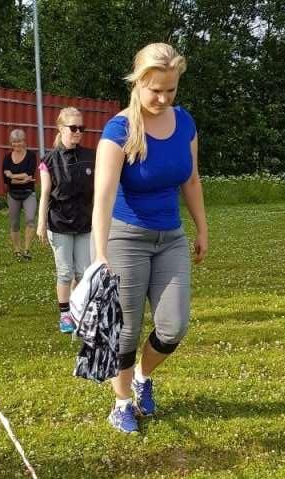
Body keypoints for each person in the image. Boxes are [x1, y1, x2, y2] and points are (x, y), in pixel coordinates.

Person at [92, 42, 209, 433]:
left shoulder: (185, 123)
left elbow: (191, 180)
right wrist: (100, 253)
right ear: (138, 83)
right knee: (126, 330)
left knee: (174, 326)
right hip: (125, 239)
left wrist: (202, 228)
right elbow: (103, 197)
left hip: (170, 238)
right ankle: (121, 403)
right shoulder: (119, 130)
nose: (163, 98)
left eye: (170, 90)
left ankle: (142, 377)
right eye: (155, 90)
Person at [37, 107, 95, 333]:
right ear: (61, 129)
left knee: (83, 273)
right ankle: (65, 315)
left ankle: (78, 309)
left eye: (82, 128)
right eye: (73, 128)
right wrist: (41, 224)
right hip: (60, 223)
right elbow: (45, 194)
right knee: (65, 272)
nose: (78, 132)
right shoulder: (49, 161)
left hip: (85, 223)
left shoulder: (91, 157)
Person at [2, 129, 37, 260]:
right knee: (14, 223)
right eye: (14, 142)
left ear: (24, 141)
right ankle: (17, 250)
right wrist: (21, 179)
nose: (17, 144)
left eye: (19, 141)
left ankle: (27, 250)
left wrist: (12, 175)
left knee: (30, 219)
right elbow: (6, 180)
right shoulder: (7, 158)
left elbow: (29, 174)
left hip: (29, 193)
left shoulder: (31, 156)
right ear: (11, 143)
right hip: (13, 194)